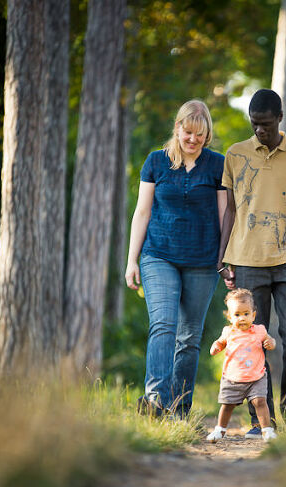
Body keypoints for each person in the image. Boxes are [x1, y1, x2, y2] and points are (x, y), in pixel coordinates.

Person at [217, 89, 286, 438]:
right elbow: (230, 210)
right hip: (247, 260)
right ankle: (262, 422)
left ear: (279, 118)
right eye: (254, 125)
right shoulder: (236, 154)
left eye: (265, 124)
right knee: (250, 341)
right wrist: (222, 259)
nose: (260, 130)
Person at [125, 99, 226, 417]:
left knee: (189, 336)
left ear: (207, 134)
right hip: (159, 255)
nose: (193, 139)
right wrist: (131, 260)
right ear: (177, 128)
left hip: (203, 260)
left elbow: (225, 216)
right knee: (163, 325)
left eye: (200, 134)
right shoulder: (156, 162)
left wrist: (226, 260)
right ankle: (155, 400)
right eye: (188, 132)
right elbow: (142, 212)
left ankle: (179, 407)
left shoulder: (217, 164)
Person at [206, 288, 277, 443]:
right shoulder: (228, 332)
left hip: (256, 377)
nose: (242, 318)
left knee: (260, 401)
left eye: (246, 314)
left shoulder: (259, 330)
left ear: (253, 315)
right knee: (227, 405)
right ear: (230, 317)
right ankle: (220, 430)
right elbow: (219, 342)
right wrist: (216, 346)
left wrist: (271, 343)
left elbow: (271, 340)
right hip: (232, 378)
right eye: (237, 315)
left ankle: (267, 430)